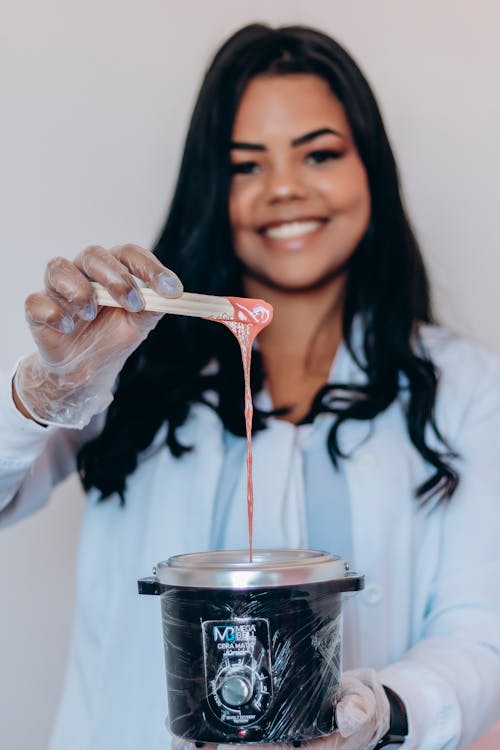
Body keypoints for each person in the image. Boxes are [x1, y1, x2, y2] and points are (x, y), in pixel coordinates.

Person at [1, 22, 499, 750]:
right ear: (212, 185)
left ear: (371, 169)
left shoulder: (468, 388)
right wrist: (46, 394)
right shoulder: (129, 362)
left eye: (319, 154)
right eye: (246, 165)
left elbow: (481, 630)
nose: (286, 189)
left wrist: (386, 712)